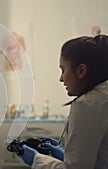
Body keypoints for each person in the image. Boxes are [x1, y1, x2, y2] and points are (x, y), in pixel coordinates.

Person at [15, 35, 108, 169]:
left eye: (63, 70)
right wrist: (64, 154)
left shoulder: (87, 105)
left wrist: (36, 159)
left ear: (81, 70)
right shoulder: (102, 97)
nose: (61, 78)